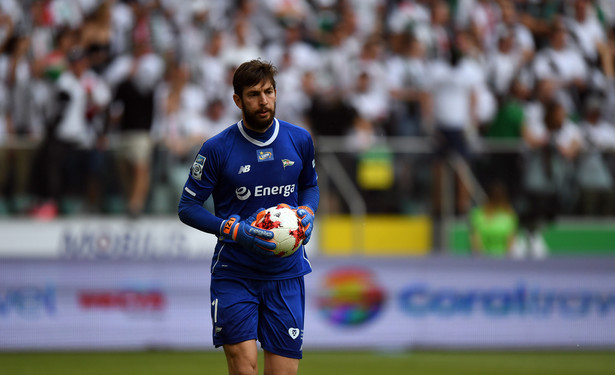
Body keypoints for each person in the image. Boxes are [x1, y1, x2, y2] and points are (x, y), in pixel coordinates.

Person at [177, 59, 319, 375]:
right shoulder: (216, 149)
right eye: (254, 94)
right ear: (238, 100)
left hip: (286, 273)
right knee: (244, 368)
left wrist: (307, 212)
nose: (263, 100)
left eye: (268, 92)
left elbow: (310, 186)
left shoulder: (299, 140)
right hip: (236, 271)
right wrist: (235, 231)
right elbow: (187, 208)